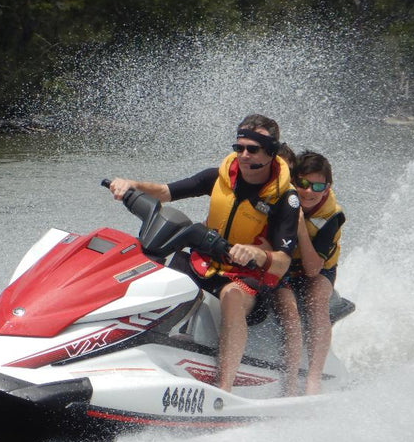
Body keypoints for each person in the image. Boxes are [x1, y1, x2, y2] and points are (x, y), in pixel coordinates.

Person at [108, 114, 300, 392]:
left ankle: (224, 388)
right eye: (239, 148)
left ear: (271, 152)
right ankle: (120, 346)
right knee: (153, 273)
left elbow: (282, 263)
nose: (244, 155)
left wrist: (256, 254)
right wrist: (131, 184)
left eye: (252, 149)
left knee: (232, 296)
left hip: (249, 275)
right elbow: (165, 191)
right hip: (206, 260)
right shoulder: (218, 177)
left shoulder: (285, 199)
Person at [273, 151, 345, 396]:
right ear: (293, 181)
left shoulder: (331, 216)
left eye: (318, 186)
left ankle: (314, 379)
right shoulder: (280, 199)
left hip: (319, 269)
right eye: (303, 183)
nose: (309, 192)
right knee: (288, 309)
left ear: (327, 188)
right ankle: (290, 384)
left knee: (316, 299)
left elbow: (313, 269)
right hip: (284, 267)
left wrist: (301, 227)